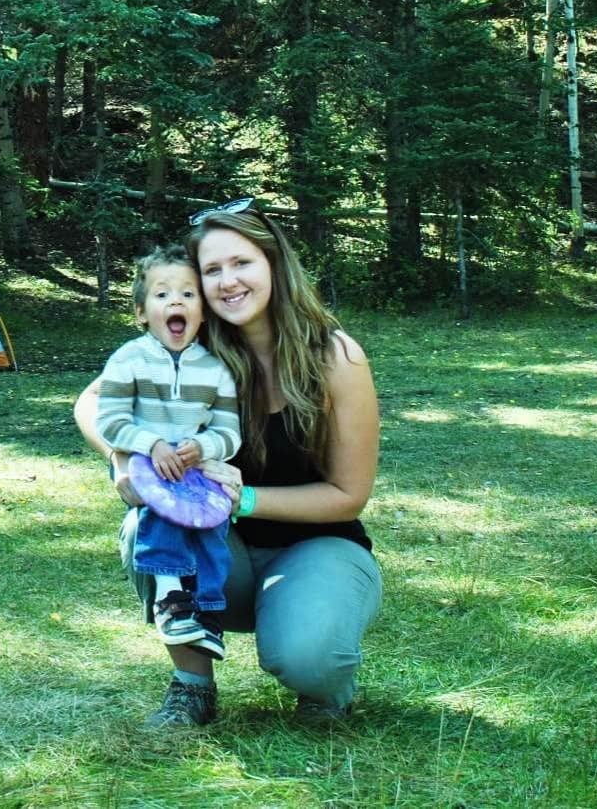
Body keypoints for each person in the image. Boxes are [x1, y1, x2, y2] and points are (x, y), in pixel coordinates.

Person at [75, 200, 381, 730]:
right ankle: (193, 688)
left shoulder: (335, 356)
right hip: (220, 547)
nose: (227, 282)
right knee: (146, 525)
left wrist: (245, 498)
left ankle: (321, 673)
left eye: (241, 263)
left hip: (318, 545)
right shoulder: (192, 349)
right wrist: (124, 459)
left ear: (274, 264)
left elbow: (348, 494)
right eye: (211, 270)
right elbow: (89, 403)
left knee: (310, 657)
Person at [91, 246, 243, 655]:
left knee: (212, 524)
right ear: (142, 312)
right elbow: (110, 420)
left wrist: (204, 446)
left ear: (204, 312)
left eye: (188, 295)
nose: (176, 301)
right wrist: (151, 443)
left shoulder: (216, 370)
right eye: (162, 295)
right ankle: (171, 598)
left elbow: (229, 430)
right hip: (146, 462)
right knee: (161, 513)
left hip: (194, 466)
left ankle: (209, 611)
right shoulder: (128, 360)